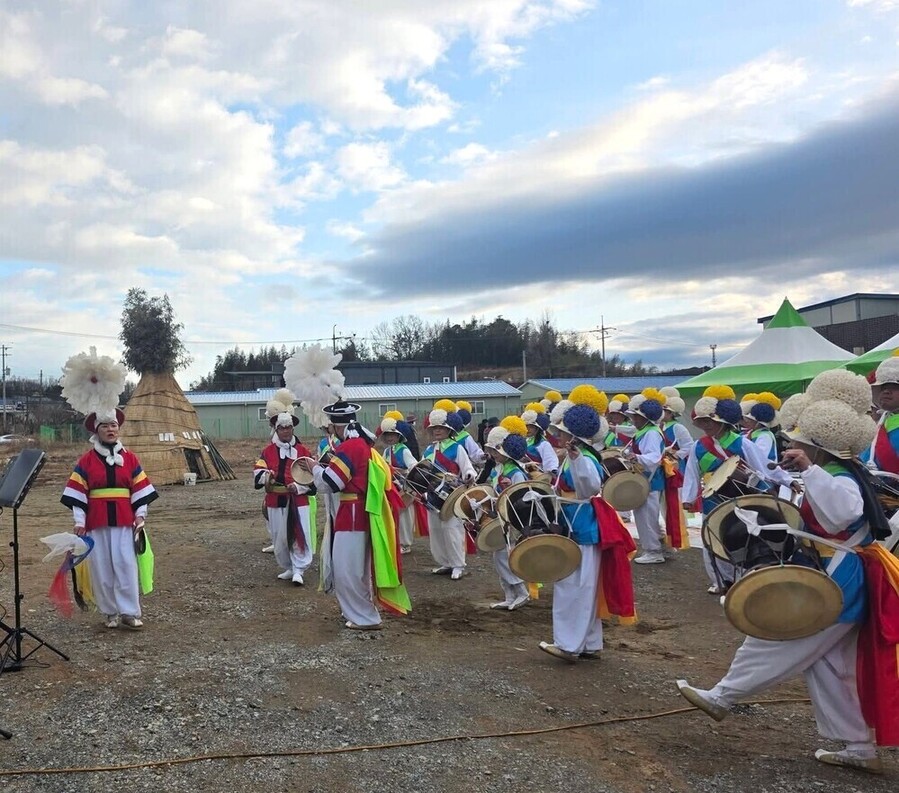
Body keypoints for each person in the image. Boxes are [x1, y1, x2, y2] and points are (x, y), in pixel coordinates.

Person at [677, 368, 898, 775]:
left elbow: (842, 515)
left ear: (818, 445)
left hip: (839, 576)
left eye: (800, 441)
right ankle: (858, 746)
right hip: (840, 573)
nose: (793, 445)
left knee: (778, 633)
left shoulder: (838, 474)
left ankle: (723, 696)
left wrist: (809, 472)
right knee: (828, 665)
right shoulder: (839, 471)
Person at [59, 348, 158, 631]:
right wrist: (79, 522)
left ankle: (129, 611)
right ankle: (110, 612)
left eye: (114, 425)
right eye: (105, 426)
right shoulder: (86, 461)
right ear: (97, 430)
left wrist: (141, 516)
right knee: (102, 567)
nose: (111, 430)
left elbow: (140, 490)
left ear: (118, 428)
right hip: (96, 522)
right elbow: (78, 496)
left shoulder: (131, 458)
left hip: (125, 521)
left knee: (126, 565)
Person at [301, 400, 409, 629]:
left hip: (351, 516)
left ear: (336, 426)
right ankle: (362, 613)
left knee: (347, 570)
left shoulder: (350, 447)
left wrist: (314, 467)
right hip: (360, 513)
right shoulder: (363, 445)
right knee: (357, 570)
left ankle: (364, 617)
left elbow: (332, 482)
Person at [681, 387, 794, 594]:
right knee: (712, 539)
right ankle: (720, 580)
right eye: (702, 422)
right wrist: (688, 498)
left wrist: (787, 480)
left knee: (741, 537)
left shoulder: (742, 443)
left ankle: (744, 579)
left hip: (742, 496)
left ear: (722, 422)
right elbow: (692, 473)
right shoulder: (698, 446)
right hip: (712, 498)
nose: (705, 426)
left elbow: (763, 466)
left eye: (709, 421)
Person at [540, 401, 620, 662]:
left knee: (573, 588)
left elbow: (589, 488)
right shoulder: (577, 457)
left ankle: (568, 645)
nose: (558, 435)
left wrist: (576, 459)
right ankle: (589, 643)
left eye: (562, 432)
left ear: (574, 436)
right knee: (584, 587)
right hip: (577, 524)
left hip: (581, 527)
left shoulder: (584, 458)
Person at [253, 391, 315, 586]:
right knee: (279, 538)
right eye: (282, 428)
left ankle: (299, 569)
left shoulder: (303, 451)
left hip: (298, 500)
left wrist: (299, 487)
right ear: (276, 429)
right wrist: (267, 477)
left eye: (289, 428)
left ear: (293, 428)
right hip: (276, 500)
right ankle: (288, 566)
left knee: (299, 534)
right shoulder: (268, 451)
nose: (286, 431)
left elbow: (313, 477)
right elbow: (259, 471)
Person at [421, 408, 476, 580]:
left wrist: (468, 476)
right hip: (433, 495)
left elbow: (467, 468)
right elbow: (422, 471)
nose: (437, 431)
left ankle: (458, 564)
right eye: (435, 428)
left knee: (452, 529)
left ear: (448, 430)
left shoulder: (457, 448)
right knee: (436, 530)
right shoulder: (428, 450)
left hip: (451, 494)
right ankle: (445, 562)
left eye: (441, 428)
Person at [484, 419, 531, 611]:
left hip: (512, 520)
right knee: (499, 556)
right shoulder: (500, 469)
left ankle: (522, 592)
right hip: (501, 517)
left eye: (495, 451)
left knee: (505, 555)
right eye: (492, 451)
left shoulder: (516, 472)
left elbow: (522, 497)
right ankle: (509, 595)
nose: (492, 454)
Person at [622, 396, 667, 565]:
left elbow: (654, 458)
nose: (633, 419)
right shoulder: (646, 431)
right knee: (646, 515)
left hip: (649, 480)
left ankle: (654, 551)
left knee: (646, 517)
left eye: (636, 416)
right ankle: (658, 546)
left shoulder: (651, 433)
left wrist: (635, 457)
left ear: (645, 418)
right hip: (645, 480)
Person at [379, 416, 418, 554]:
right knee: (394, 515)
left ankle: (405, 543)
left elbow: (414, 466)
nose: (390, 437)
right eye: (387, 435)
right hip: (393, 488)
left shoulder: (404, 450)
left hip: (405, 488)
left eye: (392, 434)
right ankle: (396, 541)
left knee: (405, 517)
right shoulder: (386, 451)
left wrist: (401, 472)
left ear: (398, 436)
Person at [521, 407, 559, 478]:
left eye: (531, 427)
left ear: (537, 428)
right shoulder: (523, 441)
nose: (528, 429)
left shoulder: (543, 443)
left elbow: (550, 463)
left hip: (539, 477)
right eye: (526, 426)